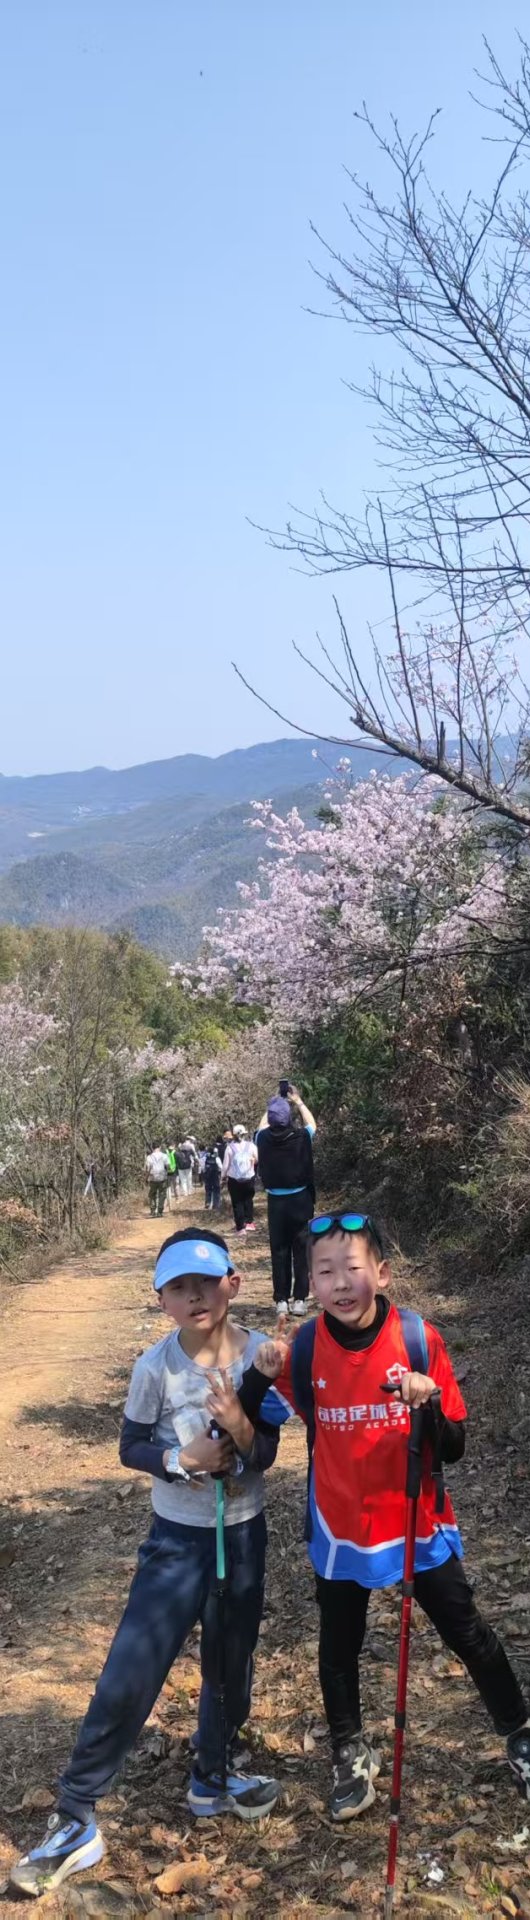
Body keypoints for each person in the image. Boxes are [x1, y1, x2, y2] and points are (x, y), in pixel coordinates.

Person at [10, 1228, 280, 1897]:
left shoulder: (262, 1356)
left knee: (231, 1663)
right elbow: (130, 1444)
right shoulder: (155, 1368)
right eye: (178, 1287)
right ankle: (76, 1814)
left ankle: (213, 1775)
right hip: (176, 1542)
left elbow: (266, 1452)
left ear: (233, 1283)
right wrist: (180, 1460)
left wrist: (239, 1425)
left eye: (206, 1282)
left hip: (243, 1535)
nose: (195, 1296)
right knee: (133, 1668)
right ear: (161, 1299)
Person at [250, 1211, 530, 1820]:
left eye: (352, 1268)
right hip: (341, 1525)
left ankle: (519, 1733)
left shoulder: (417, 1338)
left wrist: (428, 1405)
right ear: (310, 1284)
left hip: (414, 1519)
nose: (340, 1283)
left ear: (381, 1273)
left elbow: (453, 1447)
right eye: (325, 1272)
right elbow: (253, 1422)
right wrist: (250, 1379)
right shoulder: (304, 1350)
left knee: (465, 1629)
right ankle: (350, 1751)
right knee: (338, 1644)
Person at [256, 1086, 316, 1317]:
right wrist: (298, 1101)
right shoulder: (301, 1136)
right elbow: (312, 1124)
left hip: (276, 1203)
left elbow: (261, 1126)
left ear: (271, 1119)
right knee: (301, 1250)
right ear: (289, 1118)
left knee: (279, 1251)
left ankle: (281, 1300)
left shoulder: (262, 1138)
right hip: (300, 1200)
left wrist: (273, 1103)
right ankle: (300, 1299)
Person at [222, 1127, 258, 1235]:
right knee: (248, 1199)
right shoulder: (251, 1146)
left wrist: (223, 1176)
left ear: (234, 1135)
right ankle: (249, 1223)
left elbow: (225, 1165)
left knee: (237, 1202)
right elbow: (257, 1159)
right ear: (244, 1134)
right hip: (249, 1177)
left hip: (234, 1179)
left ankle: (240, 1227)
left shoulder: (229, 1148)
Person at [145, 1144, 170, 1218]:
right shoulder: (164, 1156)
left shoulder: (149, 1157)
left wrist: (146, 1178)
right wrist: (167, 1172)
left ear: (152, 1147)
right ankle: (160, 1211)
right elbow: (168, 1166)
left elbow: (148, 1169)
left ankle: (153, 1210)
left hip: (153, 1178)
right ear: (159, 1147)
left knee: (152, 1194)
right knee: (162, 1194)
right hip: (162, 1177)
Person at [203, 1144, 223, 1212]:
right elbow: (221, 1167)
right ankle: (216, 1204)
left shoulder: (205, 1158)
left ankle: (208, 1203)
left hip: (207, 1176)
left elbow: (202, 1166)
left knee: (208, 1189)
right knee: (216, 1189)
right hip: (215, 1176)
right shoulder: (217, 1158)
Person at [166, 1143, 178, 1209]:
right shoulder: (175, 1153)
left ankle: (168, 1201)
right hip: (174, 1172)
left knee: (168, 1187)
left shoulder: (165, 1153)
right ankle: (176, 1198)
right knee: (175, 1186)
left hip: (167, 1172)